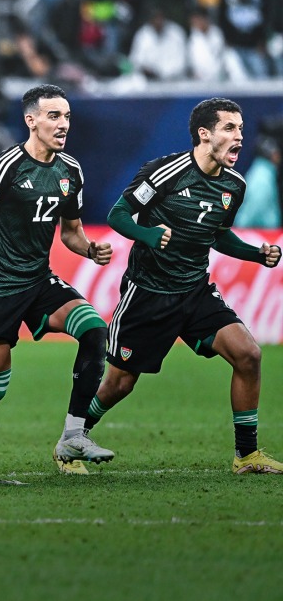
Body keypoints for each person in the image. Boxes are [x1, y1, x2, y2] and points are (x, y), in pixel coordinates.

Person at [0, 85, 113, 477]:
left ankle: (73, 435)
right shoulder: (4, 167)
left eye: (66, 117)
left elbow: (71, 232)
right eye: (53, 117)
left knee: (95, 329)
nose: (63, 125)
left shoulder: (70, 171)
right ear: (31, 120)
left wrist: (90, 250)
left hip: (39, 281)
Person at [89, 98, 282, 474]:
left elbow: (218, 236)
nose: (239, 136)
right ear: (204, 134)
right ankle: (74, 434)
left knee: (249, 355)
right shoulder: (166, 172)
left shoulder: (234, 186)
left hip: (194, 291)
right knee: (120, 384)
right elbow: (118, 214)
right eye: (229, 128)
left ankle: (246, 455)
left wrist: (256, 254)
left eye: (241, 129)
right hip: (148, 293)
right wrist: (146, 234)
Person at [218, 0, 271, 79]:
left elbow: (267, 15)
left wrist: (263, 41)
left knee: (261, 80)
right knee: (237, 81)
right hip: (235, 45)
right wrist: (227, 39)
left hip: (256, 45)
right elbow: (222, 17)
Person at [128, 8, 188, 81]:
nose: (158, 21)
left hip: (174, 81)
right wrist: (147, 70)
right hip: (149, 82)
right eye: (155, 18)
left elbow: (182, 62)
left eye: (160, 18)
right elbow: (135, 60)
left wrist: (162, 74)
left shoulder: (176, 33)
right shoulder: (142, 35)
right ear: (150, 20)